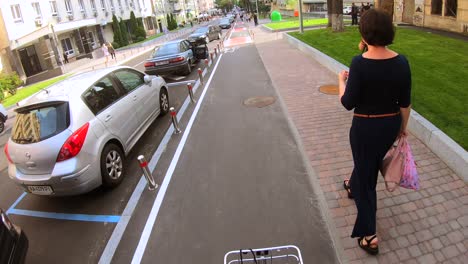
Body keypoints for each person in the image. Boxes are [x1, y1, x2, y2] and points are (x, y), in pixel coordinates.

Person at [338, 9, 412, 256]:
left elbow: (348, 102)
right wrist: (402, 129)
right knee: (366, 163)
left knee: (368, 181)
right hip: (389, 126)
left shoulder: (359, 63)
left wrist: (341, 80)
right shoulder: (402, 62)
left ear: (364, 33)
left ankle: (369, 235)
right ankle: (352, 184)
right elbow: (405, 102)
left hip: (365, 127)